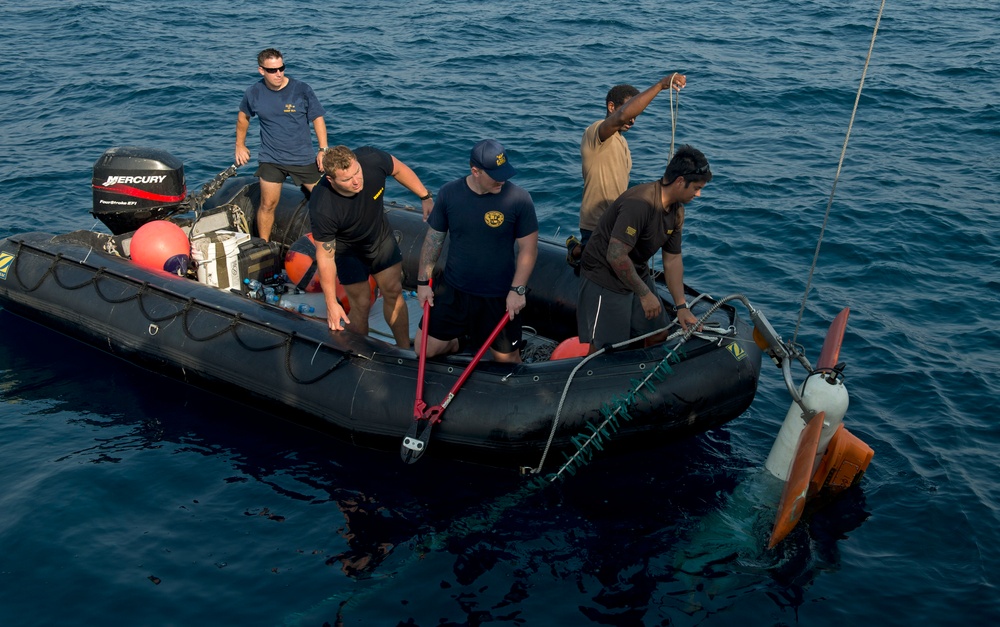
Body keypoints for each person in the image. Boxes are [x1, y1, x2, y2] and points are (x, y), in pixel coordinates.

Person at [576, 145, 712, 352]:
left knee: (659, 334)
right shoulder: (640, 203)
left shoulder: (677, 213)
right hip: (604, 276)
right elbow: (615, 255)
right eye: (696, 188)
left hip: (636, 270)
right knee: (605, 350)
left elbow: (672, 259)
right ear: (680, 181)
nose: (699, 194)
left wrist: (682, 307)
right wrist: (644, 293)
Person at [414, 139, 538, 364]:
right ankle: (464, 342)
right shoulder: (449, 193)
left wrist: (517, 290)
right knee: (424, 349)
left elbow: (528, 249)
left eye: (505, 172)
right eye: (496, 174)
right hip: (454, 291)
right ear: (475, 171)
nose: (503, 179)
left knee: (508, 363)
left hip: (497, 296)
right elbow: (433, 240)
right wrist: (423, 283)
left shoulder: (519, 199)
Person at [309, 145, 435, 348]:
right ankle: (361, 354)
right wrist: (331, 303)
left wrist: (425, 196)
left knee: (393, 291)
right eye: (347, 179)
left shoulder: (371, 159)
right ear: (331, 180)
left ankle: (403, 350)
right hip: (347, 250)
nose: (356, 181)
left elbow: (399, 169)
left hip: (379, 237)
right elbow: (325, 256)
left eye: (357, 172)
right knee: (361, 304)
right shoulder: (322, 205)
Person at [567, 72, 687, 267]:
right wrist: (661, 85)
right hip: (596, 222)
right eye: (631, 113)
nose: (632, 120)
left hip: (618, 222)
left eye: (636, 116)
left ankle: (578, 248)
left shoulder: (622, 144)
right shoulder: (596, 133)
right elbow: (623, 115)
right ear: (611, 107)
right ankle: (578, 250)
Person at [235, 48, 329, 242]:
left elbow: (317, 118)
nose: (278, 73)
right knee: (267, 204)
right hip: (271, 159)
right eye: (272, 70)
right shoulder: (253, 92)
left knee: (325, 201)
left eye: (281, 68)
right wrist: (240, 145)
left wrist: (323, 150)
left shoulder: (302, 89)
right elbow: (243, 118)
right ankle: (264, 244)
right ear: (261, 70)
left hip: (302, 158)